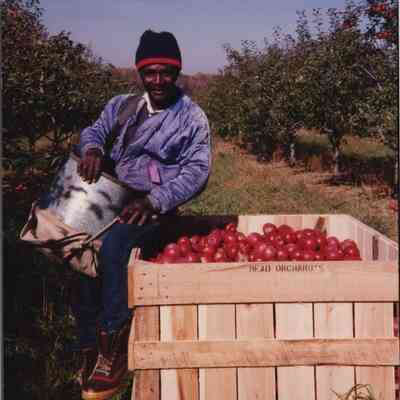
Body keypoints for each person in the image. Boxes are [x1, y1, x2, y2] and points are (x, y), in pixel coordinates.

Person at [74, 29, 211, 400]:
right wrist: (92, 148)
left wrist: (155, 200)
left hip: (153, 205)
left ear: (177, 73)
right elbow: (96, 129)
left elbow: (197, 170)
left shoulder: (191, 118)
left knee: (115, 248)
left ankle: (112, 352)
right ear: (140, 73)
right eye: (150, 72)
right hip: (111, 195)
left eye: (166, 72)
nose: (158, 80)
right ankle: (88, 342)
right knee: (81, 255)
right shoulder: (122, 105)